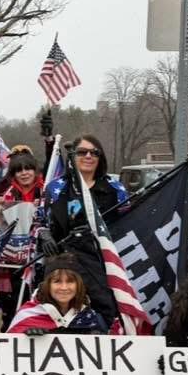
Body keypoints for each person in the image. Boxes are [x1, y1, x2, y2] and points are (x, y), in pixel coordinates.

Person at [42, 134, 129, 328]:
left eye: (94, 152)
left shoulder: (115, 189)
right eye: (82, 152)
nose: (88, 156)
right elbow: (40, 219)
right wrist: (44, 235)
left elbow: (127, 223)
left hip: (101, 263)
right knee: (61, 312)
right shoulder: (56, 188)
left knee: (103, 312)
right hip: (64, 261)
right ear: (72, 156)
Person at [0, 151, 45, 329]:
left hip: (38, 255)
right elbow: (0, 226)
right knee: (12, 303)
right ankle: (9, 330)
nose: (24, 173)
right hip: (13, 259)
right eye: (19, 170)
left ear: (35, 171)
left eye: (28, 169)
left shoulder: (45, 191)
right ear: (13, 174)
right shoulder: (8, 195)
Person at [6, 254, 108, 335]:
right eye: (57, 281)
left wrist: (98, 340)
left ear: (78, 285)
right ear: (48, 285)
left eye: (70, 281)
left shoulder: (91, 318)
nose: (64, 287)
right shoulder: (27, 315)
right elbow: (9, 350)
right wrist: (24, 339)